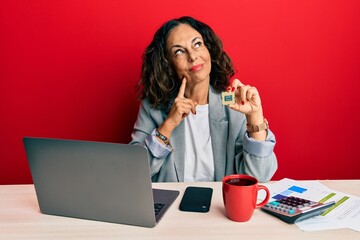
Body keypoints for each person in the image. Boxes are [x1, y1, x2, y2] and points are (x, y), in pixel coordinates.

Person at [130, 16, 277, 182]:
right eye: (179, 51)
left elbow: (258, 177)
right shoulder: (153, 107)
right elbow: (134, 172)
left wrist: (255, 118)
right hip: (171, 206)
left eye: (197, 44)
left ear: (209, 50)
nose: (193, 56)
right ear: (168, 65)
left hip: (220, 206)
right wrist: (169, 124)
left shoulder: (233, 104)